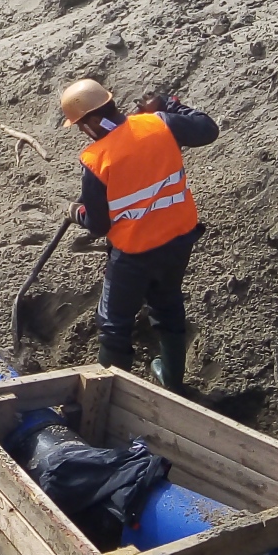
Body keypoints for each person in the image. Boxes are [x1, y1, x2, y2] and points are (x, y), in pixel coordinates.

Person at [60, 78, 219, 391]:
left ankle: (112, 395)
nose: (83, 133)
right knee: (167, 304)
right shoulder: (160, 124)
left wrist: (75, 212)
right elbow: (207, 128)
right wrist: (168, 104)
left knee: (114, 324)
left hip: (134, 255)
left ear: (92, 121)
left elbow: (99, 224)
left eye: (81, 126)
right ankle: (172, 380)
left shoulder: (96, 159)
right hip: (178, 240)